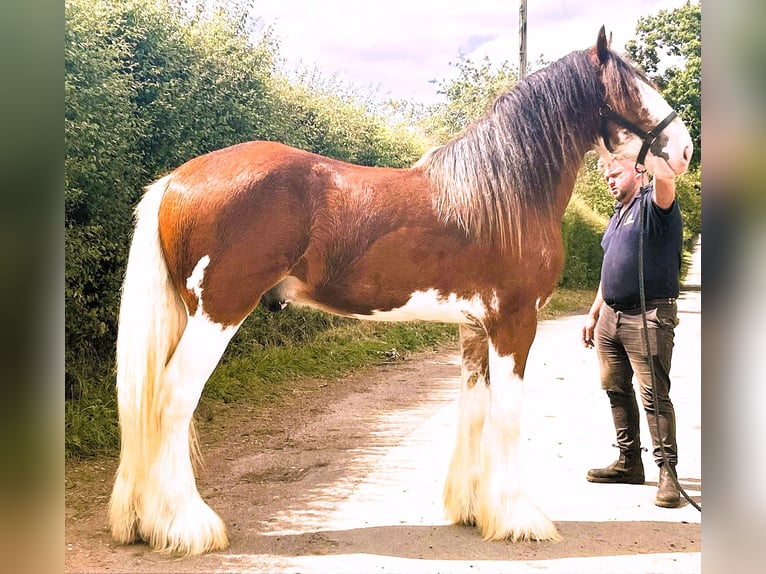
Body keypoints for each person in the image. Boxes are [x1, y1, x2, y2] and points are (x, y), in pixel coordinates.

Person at [581, 154, 683, 508]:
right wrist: (594, 314)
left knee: (654, 395)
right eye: (606, 175)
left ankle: (668, 474)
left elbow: (666, 179)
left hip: (649, 313)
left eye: (616, 173)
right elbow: (611, 267)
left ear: (639, 172)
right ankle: (629, 462)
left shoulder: (655, 204)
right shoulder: (618, 213)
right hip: (611, 316)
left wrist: (652, 153)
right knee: (615, 389)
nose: (609, 180)